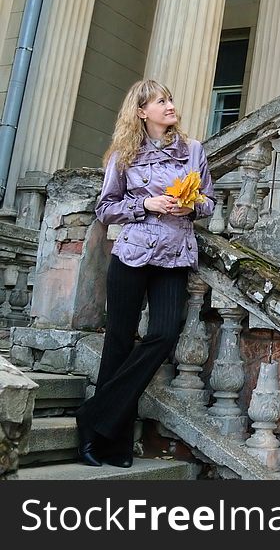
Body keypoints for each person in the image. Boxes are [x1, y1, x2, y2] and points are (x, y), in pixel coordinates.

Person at [75, 79, 215, 467]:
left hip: (173, 255)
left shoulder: (193, 150)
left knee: (164, 334)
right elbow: (105, 209)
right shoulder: (124, 155)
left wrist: (192, 208)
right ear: (142, 112)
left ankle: (92, 418)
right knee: (119, 342)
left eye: (170, 99)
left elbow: (210, 203)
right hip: (133, 254)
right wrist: (146, 204)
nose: (170, 106)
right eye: (161, 101)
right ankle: (112, 443)